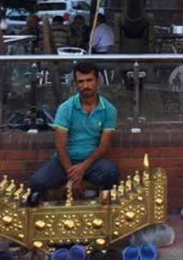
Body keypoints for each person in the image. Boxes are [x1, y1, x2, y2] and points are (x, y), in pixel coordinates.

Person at [30, 61, 120, 198]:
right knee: (38, 182)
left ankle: (101, 205)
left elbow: (104, 146)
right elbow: (60, 146)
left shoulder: (109, 110)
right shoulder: (66, 108)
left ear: (98, 81)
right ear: (75, 84)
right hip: (64, 161)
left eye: (89, 80)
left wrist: (82, 168)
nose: (85, 86)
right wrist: (73, 175)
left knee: (111, 173)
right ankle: (55, 206)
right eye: (81, 82)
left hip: (91, 162)